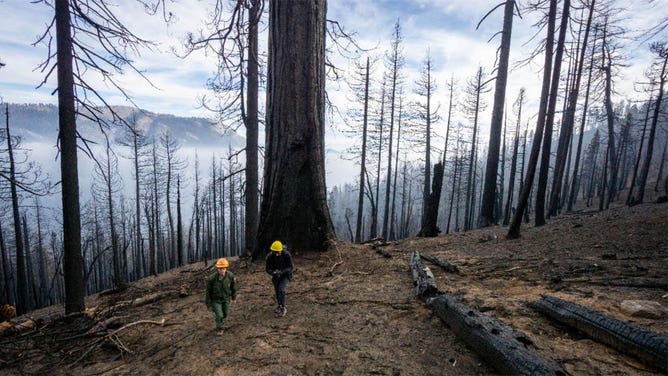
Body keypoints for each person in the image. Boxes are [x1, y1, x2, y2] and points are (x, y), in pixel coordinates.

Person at [205, 258, 237, 334]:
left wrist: (233, 298)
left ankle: (220, 321)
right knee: (219, 315)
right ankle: (219, 328)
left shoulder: (230, 276)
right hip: (216, 300)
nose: (221, 270)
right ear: (217, 269)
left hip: (226, 298)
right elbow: (208, 292)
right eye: (220, 269)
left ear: (226, 268)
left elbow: (234, 287)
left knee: (225, 313)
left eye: (223, 269)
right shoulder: (211, 279)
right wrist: (208, 304)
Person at [265, 240, 293, 317]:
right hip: (275, 276)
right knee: (277, 291)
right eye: (275, 252)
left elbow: (290, 267)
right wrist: (273, 272)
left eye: (278, 252)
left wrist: (281, 272)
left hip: (285, 275)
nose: (277, 254)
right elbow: (267, 269)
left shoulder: (286, 255)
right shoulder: (269, 257)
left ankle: (283, 307)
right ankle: (279, 305)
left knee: (281, 289)